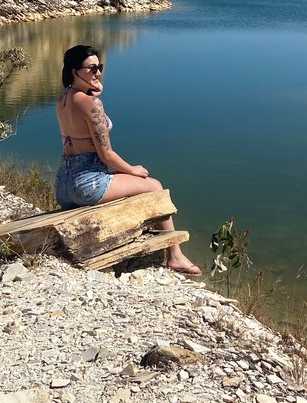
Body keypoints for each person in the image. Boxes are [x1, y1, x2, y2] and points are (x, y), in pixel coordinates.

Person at [54, 44, 201, 276]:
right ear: (75, 71)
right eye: (92, 68)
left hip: (63, 186)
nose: (98, 73)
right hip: (87, 185)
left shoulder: (64, 99)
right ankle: (175, 256)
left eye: (100, 67)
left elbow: (86, 103)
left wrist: (94, 86)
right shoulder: (92, 104)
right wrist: (132, 170)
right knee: (154, 186)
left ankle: (168, 251)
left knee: (141, 183)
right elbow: (106, 154)